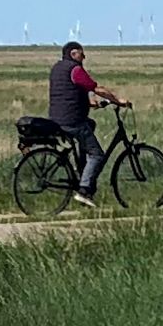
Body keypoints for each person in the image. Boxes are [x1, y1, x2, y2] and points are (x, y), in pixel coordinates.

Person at [45, 40, 114, 204]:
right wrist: (118, 100)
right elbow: (95, 88)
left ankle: (82, 167)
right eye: (81, 53)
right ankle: (84, 190)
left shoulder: (57, 68)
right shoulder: (75, 69)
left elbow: (68, 92)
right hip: (72, 120)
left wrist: (89, 103)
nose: (84, 56)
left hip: (56, 118)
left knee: (90, 125)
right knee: (97, 154)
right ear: (73, 54)